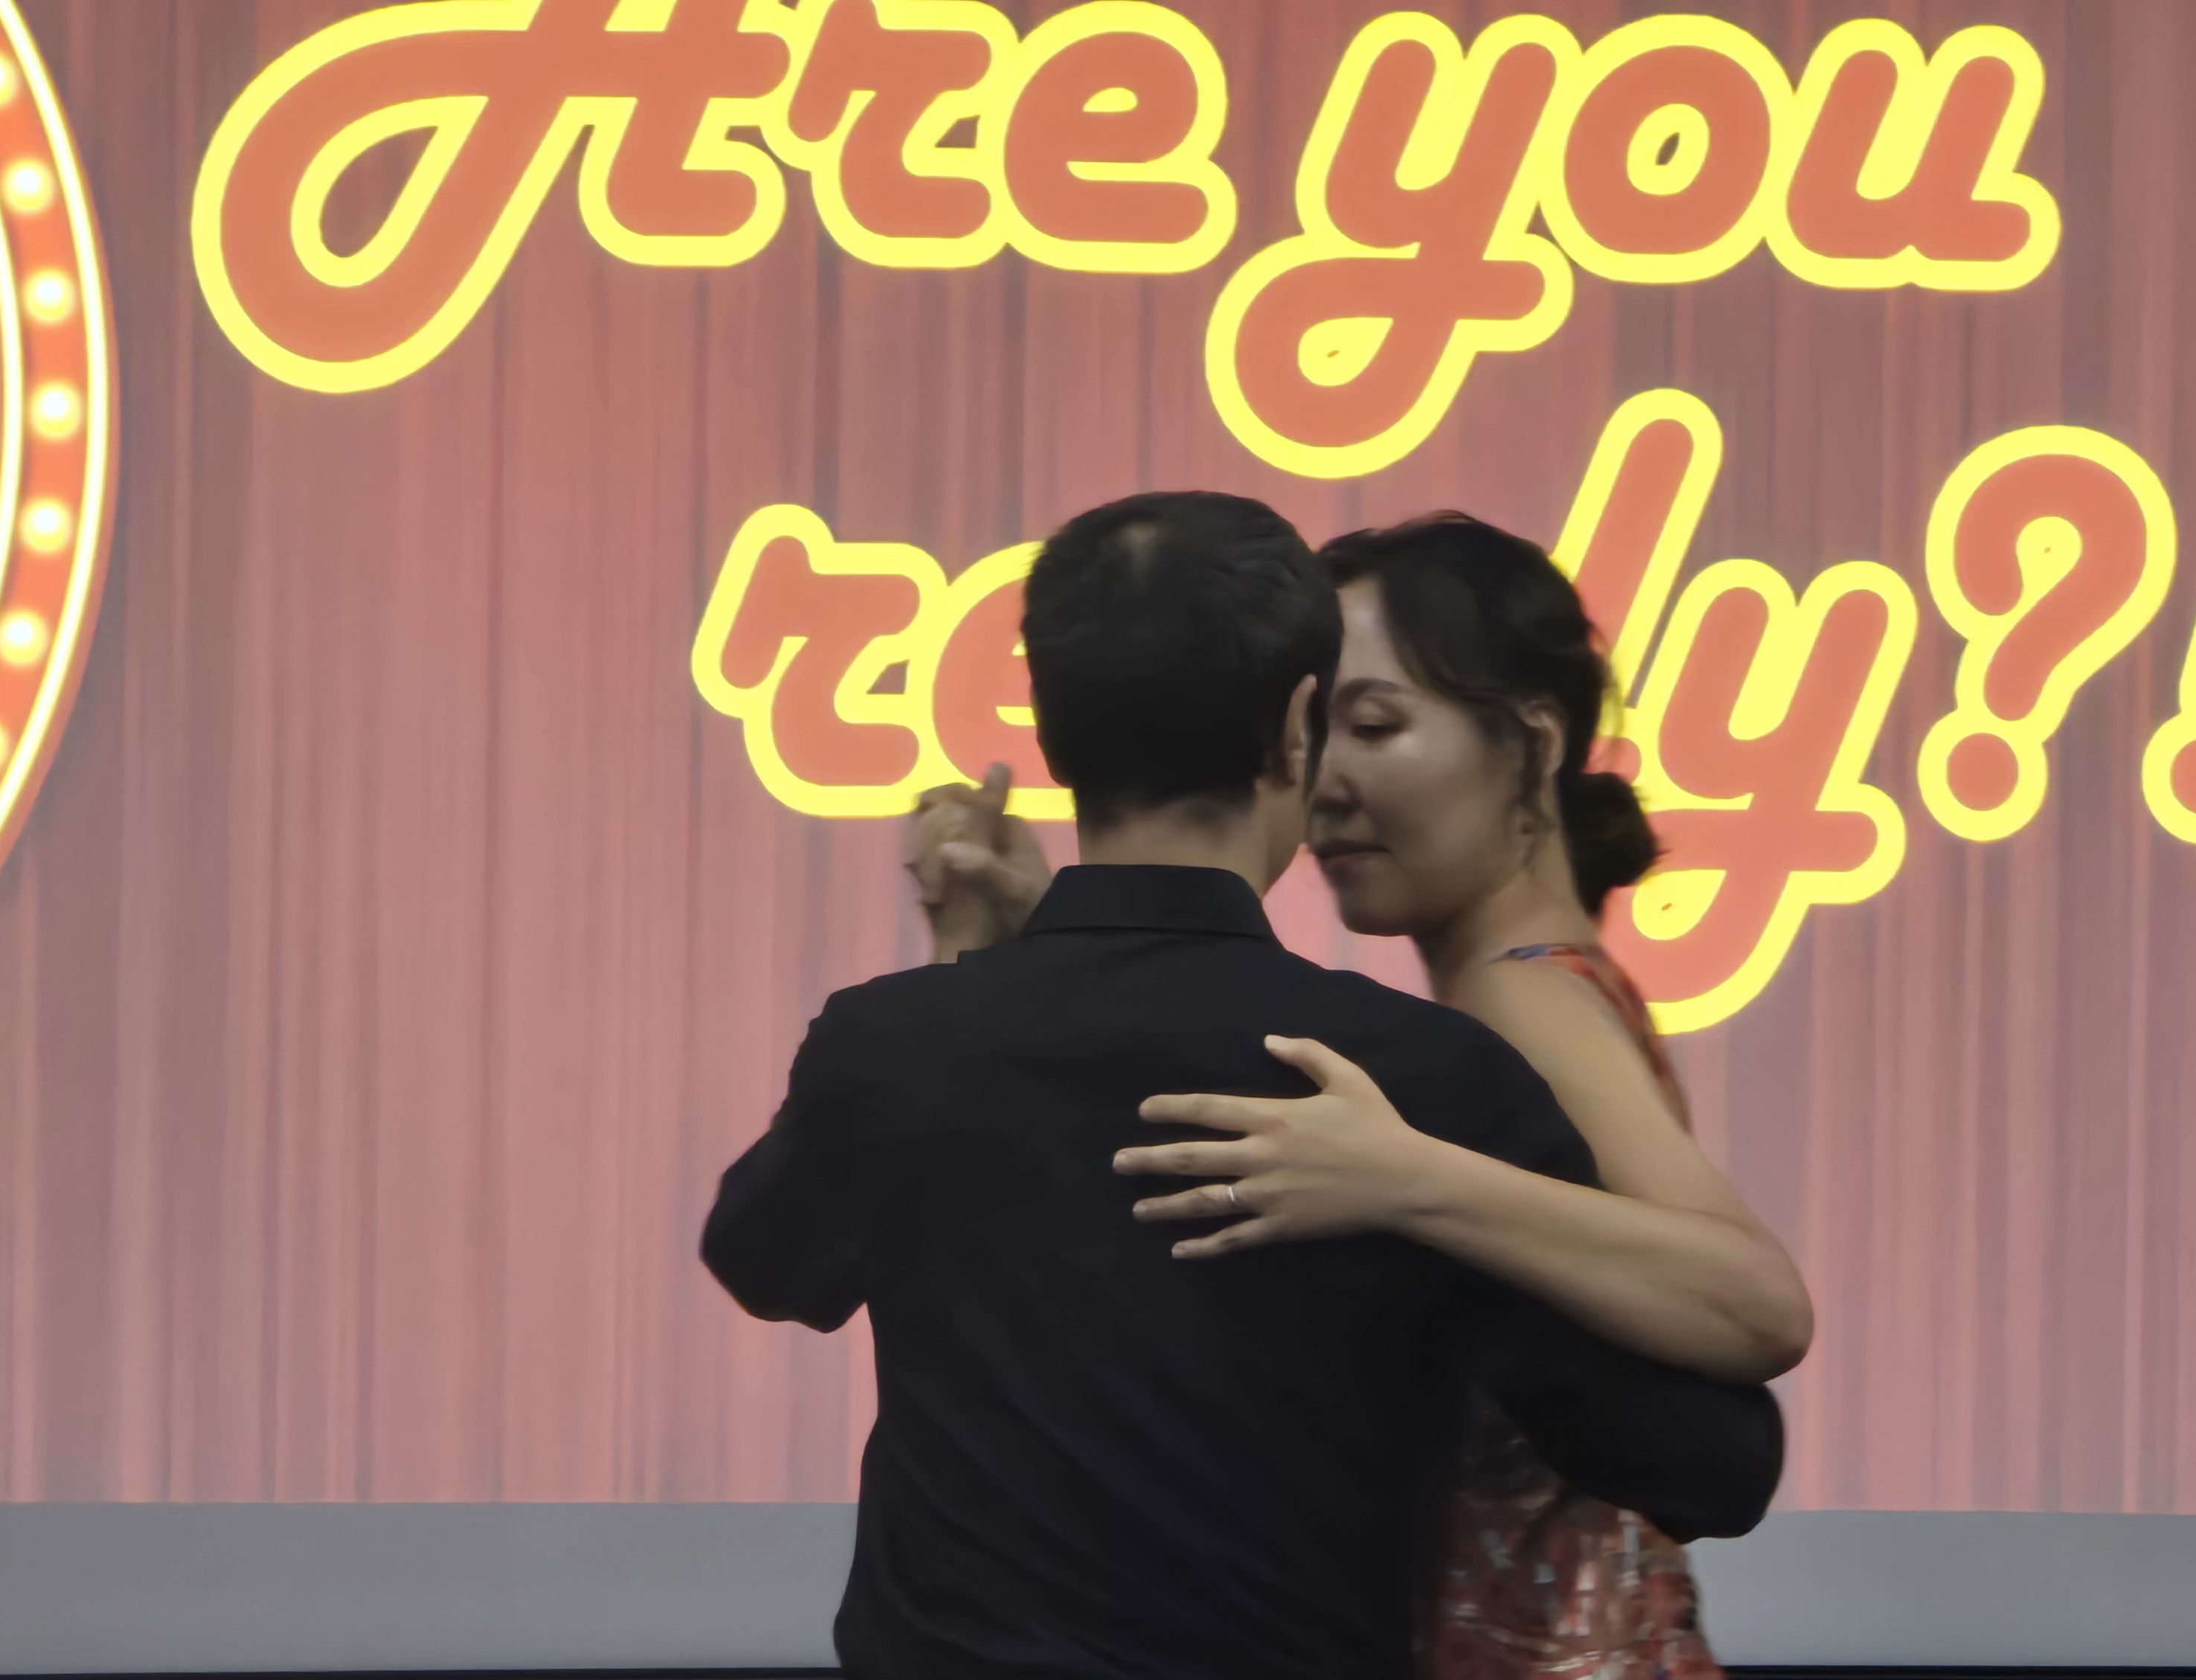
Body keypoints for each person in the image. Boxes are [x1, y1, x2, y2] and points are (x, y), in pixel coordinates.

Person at [700, 491, 1783, 1680]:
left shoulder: (896, 1048)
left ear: (1051, 734)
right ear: (1296, 731)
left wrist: (971, 976)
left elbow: (766, 1262)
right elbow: (1710, 1464)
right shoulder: (1410, 1084)